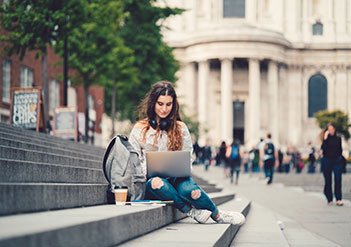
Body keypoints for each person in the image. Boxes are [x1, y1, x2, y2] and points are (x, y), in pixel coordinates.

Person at [128, 81, 245, 225]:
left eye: (168, 104)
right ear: (153, 103)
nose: (164, 109)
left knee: (191, 191)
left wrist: (179, 168)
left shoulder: (181, 128)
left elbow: (188, 158)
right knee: (158, 183)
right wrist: (150, 168)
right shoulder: (139, 128)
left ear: (174, 105)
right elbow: (133, 162)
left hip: (177, 178)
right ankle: (191, 211)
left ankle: (218, 215)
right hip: (150, 182)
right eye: (160, 104)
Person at [320, 123, 344, 206]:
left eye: (332, 129)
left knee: (338, 179)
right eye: (329, 130)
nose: (331, 131)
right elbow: (323, 149)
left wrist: (339, 158)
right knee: (328, 180)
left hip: (336, 161)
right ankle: (329, 199)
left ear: (335, 129)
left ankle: (338, 199)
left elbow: (340, 149)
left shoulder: (338, 138)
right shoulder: (325, 139)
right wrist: (325, 138)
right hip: (327, 160)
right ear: (327, 131)